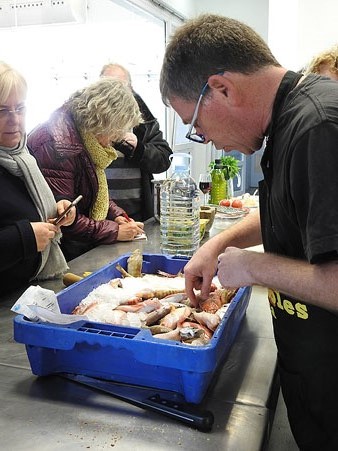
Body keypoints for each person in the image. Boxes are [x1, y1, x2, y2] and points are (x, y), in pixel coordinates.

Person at [160, 14, 338, 451]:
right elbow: (294, 209)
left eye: (196, 125)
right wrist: (220, 243)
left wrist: (255, 266)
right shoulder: (289, 119)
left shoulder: (318, 128)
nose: (205, 139)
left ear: (222, 88)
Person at [28, 77, 144, 261]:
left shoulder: (82, 135)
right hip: (58, 253)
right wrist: (115, 231)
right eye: (114, 133)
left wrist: (117, 215)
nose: (113, 141)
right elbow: (65, 219)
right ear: (104, 122)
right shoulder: (58, 144)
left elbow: (93, 192)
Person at [0, 62, 76, 294]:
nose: (15, 120)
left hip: (27, 290)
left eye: (20, 108)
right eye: (2, 111)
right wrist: (24, 238)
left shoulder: (23, 155)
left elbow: (25, 204)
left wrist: (60, 207)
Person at [100, 63, 172, 221]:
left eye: (120, 86)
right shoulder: (89, 121)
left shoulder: (144, 121)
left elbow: (164, 160)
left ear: (130, 89)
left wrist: (139, 149)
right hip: (98, 216)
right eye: (108, 86)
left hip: (137, 214)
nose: (115, 93)